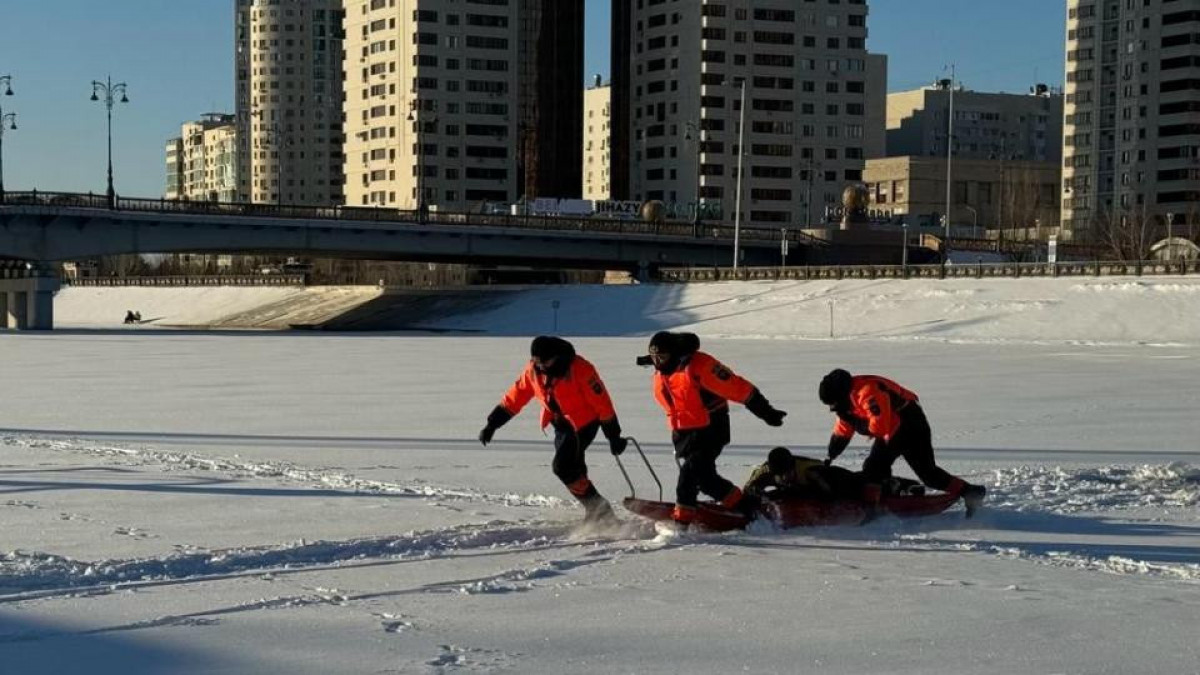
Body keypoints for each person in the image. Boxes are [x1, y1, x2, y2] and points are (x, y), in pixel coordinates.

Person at [642, 331, 787, 525]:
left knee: (689, 474)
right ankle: (746, 506)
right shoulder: (663, 371)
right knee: (705, 480)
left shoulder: (700, 366)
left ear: (675, 353)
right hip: (685, 433)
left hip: (711, 429)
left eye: (662, 357)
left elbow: (738, 388)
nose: (658, 362)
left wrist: (767, 412)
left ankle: (681, 524)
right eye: (654, 358)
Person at [478, 336, 626, 525]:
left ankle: (599, 509)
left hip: (583, 424)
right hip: (560, 425)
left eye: (544, 361)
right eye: (536, 361)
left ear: (557, 357)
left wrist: (613, 435)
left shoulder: (580, 369)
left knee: (562, 466)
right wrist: (492, 424)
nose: (540, 366)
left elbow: (602, 403)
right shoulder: (533, 370)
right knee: (574, 466)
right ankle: (595, 509)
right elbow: (515, 397)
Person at [818, 369, 987, 516]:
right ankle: (971, 491)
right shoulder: (848, 400)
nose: (832, 408)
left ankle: (871, 510)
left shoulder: (868, 392)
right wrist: (830, 455)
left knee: (875, 467)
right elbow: (843, 429)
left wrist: (851, 419)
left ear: (840, 395)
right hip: (897, 426)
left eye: (833, 403)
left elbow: (879, 427)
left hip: (909, 423)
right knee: (927, 473)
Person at [744, 446, 868, 502]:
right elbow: (748, 488)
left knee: (856, 483)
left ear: (792, 468)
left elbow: (827, 496)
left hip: (830, 477)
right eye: (779, 475)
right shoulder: (765, 471)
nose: (783, 478)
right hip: (800, 487)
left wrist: (783, 495)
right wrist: (756, 494)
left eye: (786, 474)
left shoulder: (810, 471)